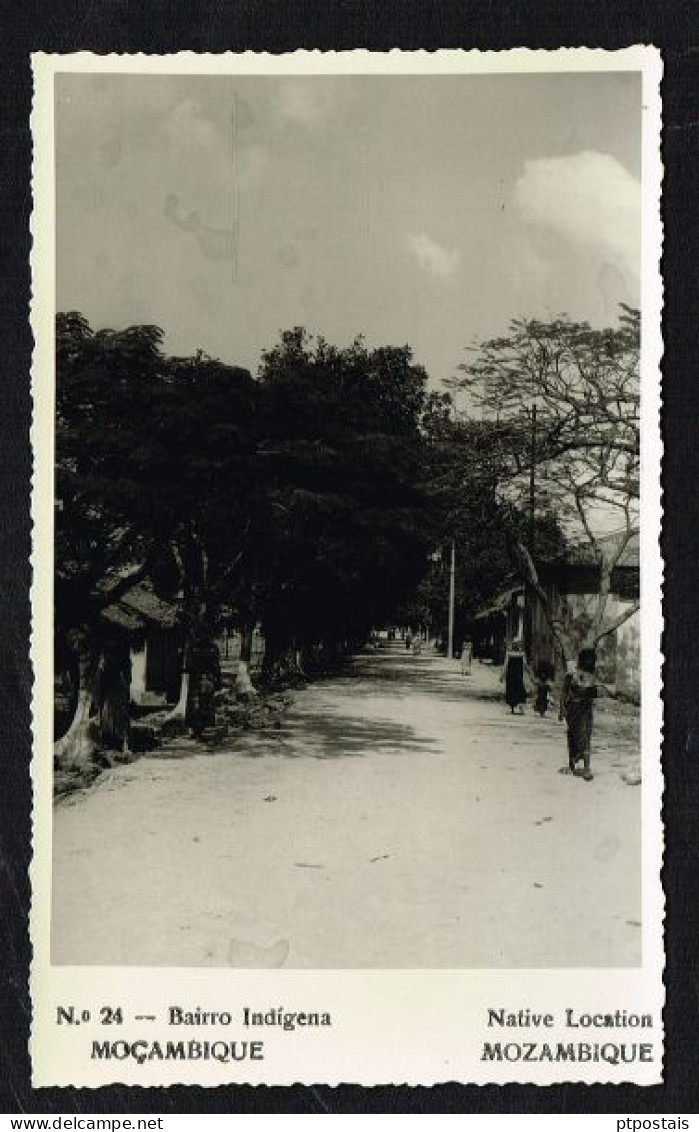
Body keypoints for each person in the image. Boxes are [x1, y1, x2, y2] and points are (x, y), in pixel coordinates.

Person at [559, 648, 598, 781]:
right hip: (573, 710)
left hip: (586, 710)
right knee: (573, 736)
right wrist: (561, 709)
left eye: (591, 660)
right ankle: (572, 765)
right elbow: (564, 692)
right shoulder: (571, 673)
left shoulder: (592, 675)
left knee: (585, 736)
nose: (589, 662)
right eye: (587, 659)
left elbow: (592, 694)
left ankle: (587, 767)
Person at [500, 638, 527, 714]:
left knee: (512, 691)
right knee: (519, 690)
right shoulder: (522, 653)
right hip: (518, 675)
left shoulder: (509, 653)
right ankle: (519, 707)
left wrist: (502, 675)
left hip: (511, 675)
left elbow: (506, 664)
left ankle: (512, 708)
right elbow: (525, 664)